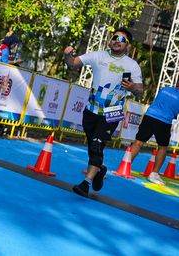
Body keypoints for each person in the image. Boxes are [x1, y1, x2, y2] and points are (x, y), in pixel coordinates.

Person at [64, 27, 143, 198]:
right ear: (110, 41)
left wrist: (132, 87)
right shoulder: (98, 56)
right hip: (91, 109)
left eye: (122, 40)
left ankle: (86, 183)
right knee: (93, 145)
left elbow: (140, 91)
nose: (117, 41)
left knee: (97, 144)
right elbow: (73, 63)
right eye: (115, 38)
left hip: (113, 111)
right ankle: (99, 170)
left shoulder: (132, 65)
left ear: (128, 46)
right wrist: (67, 55)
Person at [130, 78, 179, 185]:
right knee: (162, 147)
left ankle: (126, 165)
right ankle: (154, 174)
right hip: (164, 121)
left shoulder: (165, 89)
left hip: (149, 115)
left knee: (138, 142)